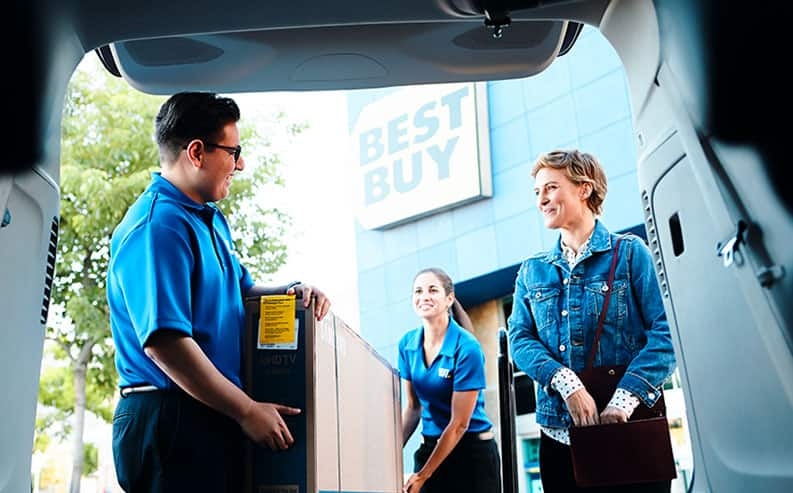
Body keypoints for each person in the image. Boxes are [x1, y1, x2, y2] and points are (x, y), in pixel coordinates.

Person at [106, 92, 331, 492]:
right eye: (233, 151)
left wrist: (292, 291)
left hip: (207, 410)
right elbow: (166, 342)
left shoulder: (207, 218)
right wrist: (246, 410)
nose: (240, 164)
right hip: (170, 416)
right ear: (196, 152)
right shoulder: (159, 226)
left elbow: (242, 289)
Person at [507, 149, 676, 492]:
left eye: (551, 187)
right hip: (559, 437)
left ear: (583, 189)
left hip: (629, 432)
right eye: (537, 192)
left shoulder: (630, 253)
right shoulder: (532, 270)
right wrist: (566, 383)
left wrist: (623, 400)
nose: (542, 199)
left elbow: (667, 334)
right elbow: (520, 339)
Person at [399, 267, 501, 493]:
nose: (424, 296)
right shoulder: (407, 344)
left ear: (449, 299)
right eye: (418, 291)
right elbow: (413, 408)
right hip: (430, 448)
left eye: (432, 290)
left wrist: (423, 475)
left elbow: (459, 424)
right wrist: (392, 453)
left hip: (472, 453)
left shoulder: (467, 348)